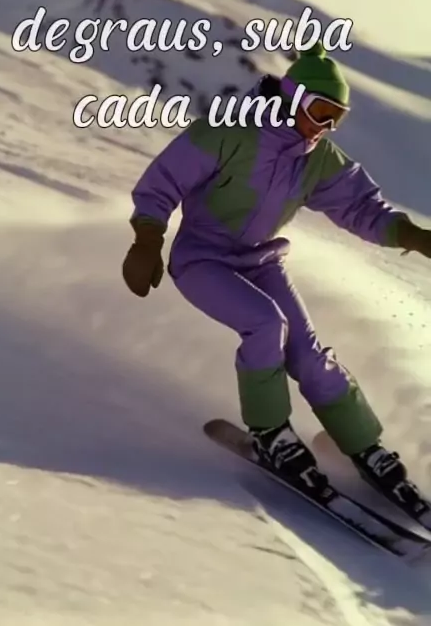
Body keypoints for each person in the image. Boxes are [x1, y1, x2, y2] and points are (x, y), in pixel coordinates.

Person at [122, 41, 431, 506]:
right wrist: (147, 239)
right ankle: (271, 433)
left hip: (261, 260)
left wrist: (414, 236)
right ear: (294, 97)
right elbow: (162, 182)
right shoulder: (228, 132)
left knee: (308, 354)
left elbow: (361, 208)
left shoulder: (317, 158)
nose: (325, 126)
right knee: (267, 324)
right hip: (202, 259)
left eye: (336, 118)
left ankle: (364, 446)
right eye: (321, 111)